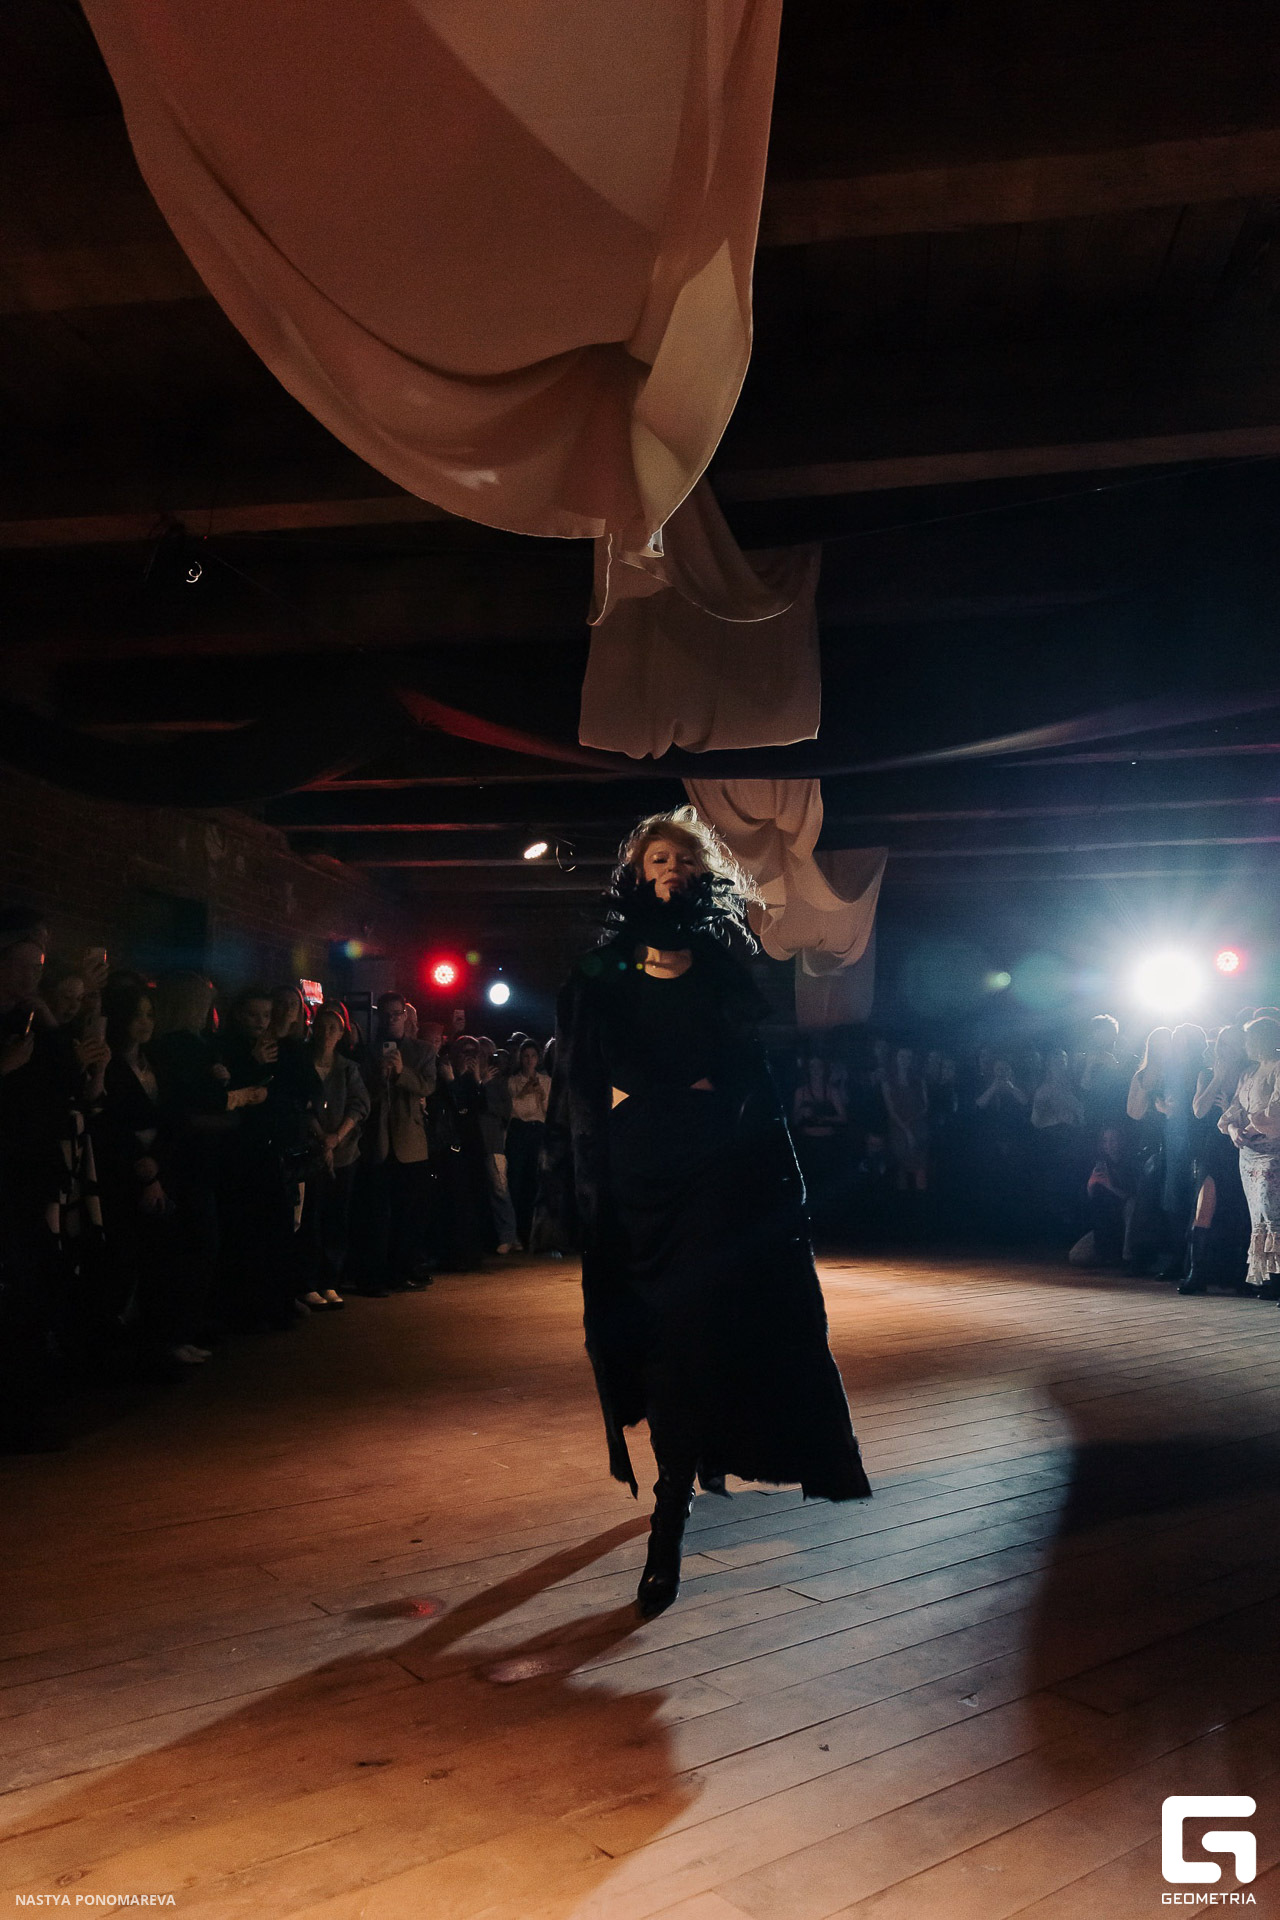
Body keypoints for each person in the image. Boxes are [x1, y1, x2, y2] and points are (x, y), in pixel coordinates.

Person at [541, 805, 871, 1621]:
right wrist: (578, 1185)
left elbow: (752, 1082)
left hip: (715, 1172)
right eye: (658, 859)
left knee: (692, 1330)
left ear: (702, 874)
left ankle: (668, 1517)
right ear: (636, 872)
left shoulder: (724, 969)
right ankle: (683, 1469)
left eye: (684, 860)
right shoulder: (601, 972)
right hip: (636, 1171)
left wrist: (773, 1171)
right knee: (657, 1335)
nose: (671, 870)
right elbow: (580, 1085)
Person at [353, 992, 435, 1295]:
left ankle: (404, 1271)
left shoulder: (423, 1051)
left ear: (405, 1015)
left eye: (396, 1014)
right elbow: (361, 1093)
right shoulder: (367, 1053)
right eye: (386, 1014)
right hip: (377, 1141)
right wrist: (380, 1076)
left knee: (409, 1214)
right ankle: (375, 1275)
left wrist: (401, 1073)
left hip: (410, 1143)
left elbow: (428, 1086)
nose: (391, 1019)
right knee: (377, 1214)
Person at [299, 1005, 371, 1307]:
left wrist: (336, 1138)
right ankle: (308, 1281)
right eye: (322, 1026)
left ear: (342, 1033)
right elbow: (301, 1105)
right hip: (310, 1153)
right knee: (311, 1217)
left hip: (344, 1154)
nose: (327, 1032)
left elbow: (360, 1105)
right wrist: (322, 1141)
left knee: (336, 1217)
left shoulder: (347, 1068)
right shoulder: (302, 1065)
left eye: (333, 1028)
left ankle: (330, 1280)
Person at [1180, 1025, 1250, 1295]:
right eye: (1224, 1044)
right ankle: (1196, 1273)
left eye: (1233, 1044)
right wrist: (1217, 1078)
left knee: (1239, 1210)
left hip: (1240, 1146)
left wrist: (1229, 1110)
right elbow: (1198, 1110)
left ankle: (1239, 1274)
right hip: (1213, 1149)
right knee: (1205, 1207)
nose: (1228, 1050)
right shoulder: (1207, 1074)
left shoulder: (1249, 1074)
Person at [1219, 1015, 1280, 1299]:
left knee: (1273, 1213)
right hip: (1248, 1154)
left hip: (1272, 1151)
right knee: (1258, 1217)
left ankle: (1278, 1279)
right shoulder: (1249, 1072)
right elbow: (1235, 1108)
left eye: (1249, 1039)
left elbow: (1276, 1110)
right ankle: (1268, 1279)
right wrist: (1233, 1129)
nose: (1245, 1045)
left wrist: (1250, 1128)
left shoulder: (1278, 1067)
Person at [506, 1040, 550, 1249]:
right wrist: (523, 1092)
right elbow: (511, 1110)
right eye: (526, 1056)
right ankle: (515, 1232)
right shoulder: (513, 1081)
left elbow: (549, 1111)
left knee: (535, 1181)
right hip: (519, 1131)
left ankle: (533, 1233)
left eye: (533, 1056)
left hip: (538, 1131)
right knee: (516, 1180)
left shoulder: (546, 1081)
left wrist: (541, 1095)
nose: (529, 1060)